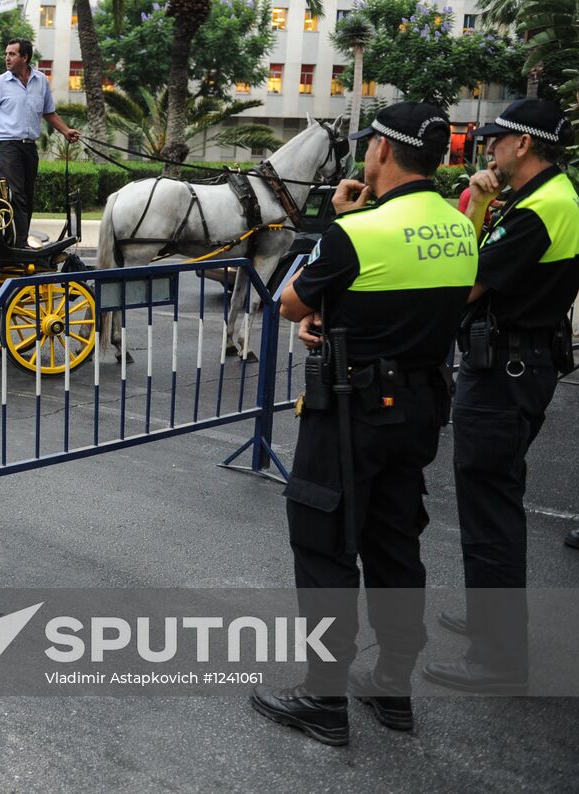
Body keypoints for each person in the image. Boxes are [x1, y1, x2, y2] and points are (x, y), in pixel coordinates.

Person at [250, 103, 476, 745]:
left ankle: (323, 703)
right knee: (395, 543)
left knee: (324, 548)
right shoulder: (460, 228)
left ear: (381, 152)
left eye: (371, 144)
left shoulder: (359, 232)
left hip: (351, 411)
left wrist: (338, 225)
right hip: (421, 408)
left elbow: (291, 298)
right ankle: (393, 689)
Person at [423, 98, 579, 692]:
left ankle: (499, 657)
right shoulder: (547, 198)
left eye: (496, 140)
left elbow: (462, 281)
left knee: (489, 507)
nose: (488, 149)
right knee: (494, 497)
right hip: (520, 362)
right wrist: (485, 203)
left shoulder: (542, 209)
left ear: (524, 144)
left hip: (506, 370)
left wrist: (480, 203)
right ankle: (492, 617)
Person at [0, 38, 80, 247]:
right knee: (15, 195)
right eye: (6, 54)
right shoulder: (0, 83)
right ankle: (19, 244)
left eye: (12, 54)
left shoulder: (41, 81)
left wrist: (65, 131)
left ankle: (16, 240)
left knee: (27, 195)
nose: (7, 58)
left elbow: (48, 112)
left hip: (28, 147)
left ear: (24, 57)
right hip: (8, 146)